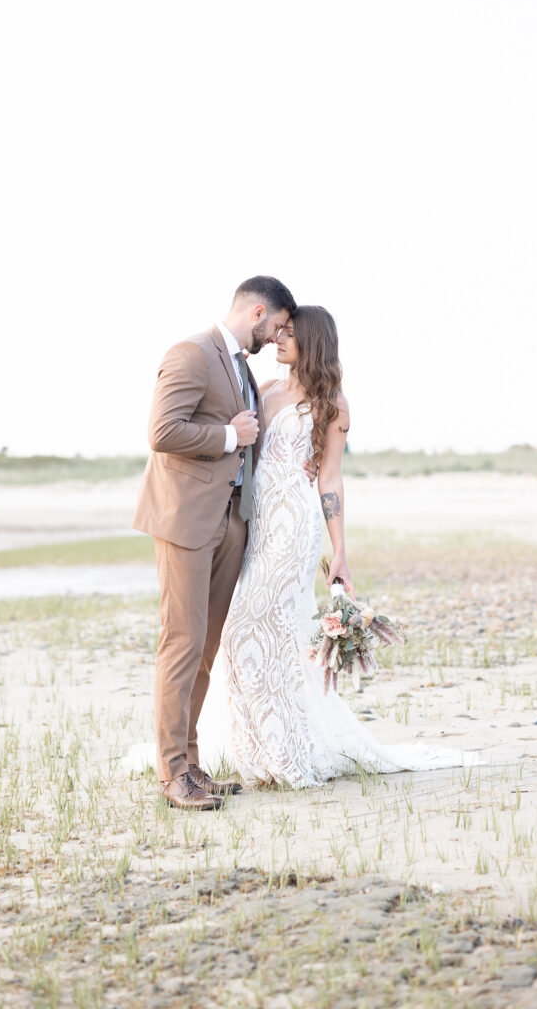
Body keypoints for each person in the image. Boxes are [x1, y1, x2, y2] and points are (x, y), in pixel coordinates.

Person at [217, 305, 484, 788]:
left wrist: (339, 552)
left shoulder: (332, 403)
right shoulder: (266, 389)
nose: (277, 339)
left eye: (289, 334)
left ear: (312, 342)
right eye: (278, 331)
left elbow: (330, 477)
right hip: (257, 524)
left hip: (295, 526)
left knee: (245, 628)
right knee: (261, 635)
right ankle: (263, 747)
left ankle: (285, 750)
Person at [129, 276, 316, 809]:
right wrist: (231, 436)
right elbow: (163, 432)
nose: (277, 337)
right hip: (186, 520)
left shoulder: (244, 369)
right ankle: (172, 774)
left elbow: (258, 438)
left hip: (231, 521)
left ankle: (190, 763)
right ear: (258, 312)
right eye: (277, 326)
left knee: (207, 647)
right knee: (182, 643)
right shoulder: (190, 353)